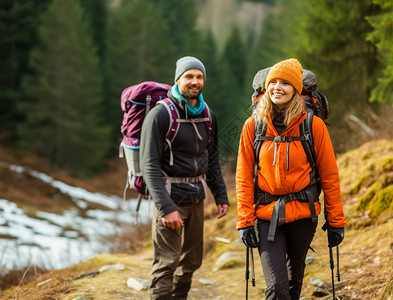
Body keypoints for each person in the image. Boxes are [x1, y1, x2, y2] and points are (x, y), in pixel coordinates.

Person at [235, 58, 346, 299]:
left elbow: (329, 176)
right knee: (276, 287)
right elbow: (243, 177)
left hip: (304, 215)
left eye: (285, 83)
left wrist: (336, 220)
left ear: (296, 89)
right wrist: (245, 221)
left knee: (294, 283)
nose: (277, 87)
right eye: (273, 82)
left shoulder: (313, 126)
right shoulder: (253, 126)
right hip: (266, 216)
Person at [140, 56, 229, 300]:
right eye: (189, 76)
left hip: (196, 198)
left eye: (199, 77)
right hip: (170, 198)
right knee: (167, 263)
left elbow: (211, 158)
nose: (195, 81)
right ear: (177, 79)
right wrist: (166, 207)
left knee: (191, 262)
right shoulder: (160, 115)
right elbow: (148, 166)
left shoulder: (208, 115)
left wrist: (220, 195)